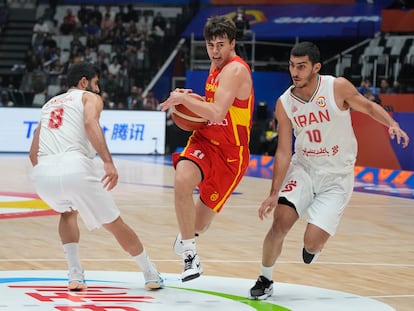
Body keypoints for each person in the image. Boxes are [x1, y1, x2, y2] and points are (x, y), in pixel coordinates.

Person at [249, 41, 410, 300]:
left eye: (302, 66)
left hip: (337, 177)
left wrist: (391, 124)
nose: (295, 72)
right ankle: (264, 278)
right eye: (292, 66)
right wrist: (273, 192)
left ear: (316, 67)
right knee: (279, 222)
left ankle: (315, 245)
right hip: (304, 170)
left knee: (311, 243)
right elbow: (282, 150)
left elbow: (368, 107)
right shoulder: (284, 103)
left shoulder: (337, 87)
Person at [29, 62, 164, 291]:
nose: (99, 89)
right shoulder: (88, 98)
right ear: (84, 82)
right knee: (114, 224)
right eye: (96, 83)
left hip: (43, 175)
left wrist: (50, 171)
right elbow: (90, 122)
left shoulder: (49, 105)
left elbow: (33, 153)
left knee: (67, 212)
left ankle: (75, 274)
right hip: (75, 166)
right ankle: (150, 272)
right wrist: (108, 163)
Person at [160, 15, 254, 282]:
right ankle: (190, 257)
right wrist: (189, 98)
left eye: (220, 45)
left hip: (231, 153)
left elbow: (216, 111)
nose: (215, 51)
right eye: (211, 45)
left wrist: (181, 98)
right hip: (205, 140)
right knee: (182, 181)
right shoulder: (215, 67)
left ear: (232, 44)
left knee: (199, 224)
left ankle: (187, 235)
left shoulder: (235, 70)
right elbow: (207, 109)